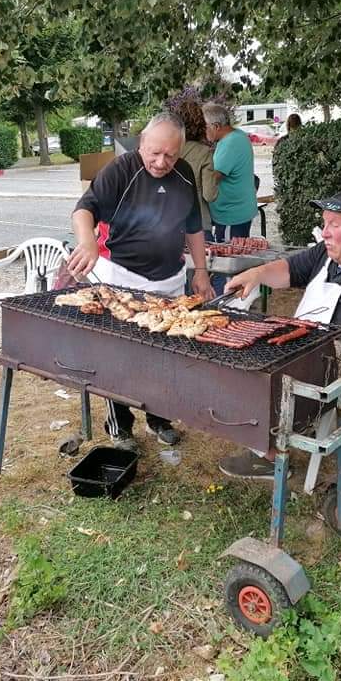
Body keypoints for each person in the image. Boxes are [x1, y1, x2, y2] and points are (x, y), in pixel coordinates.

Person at [215, 183, 341, 479]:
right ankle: (270, 441)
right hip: (315, 350)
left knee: (261, 377)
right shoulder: (329, 253)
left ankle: (270, 458)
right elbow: (289, 270)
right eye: (325, 224)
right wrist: (256, 273)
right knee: (250, 362)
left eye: (334, 225)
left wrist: (323, 352)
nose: (324, 233)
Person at [68, 112, 212, 450]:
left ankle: (159, 418)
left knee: (164, 355)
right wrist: (88, 241)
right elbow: (83, 209)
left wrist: (202, 271)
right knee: (118, 354)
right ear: (142, 143)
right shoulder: (119, 170)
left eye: (170, 155)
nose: (162, 162)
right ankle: (120, 426)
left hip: (169, 280)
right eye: (154, 152)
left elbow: (193, 227)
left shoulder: (185, 174)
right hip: (122, 277)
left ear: (180, 151)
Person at [202, 103, 258, 242]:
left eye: (204, 127)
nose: (203, 132)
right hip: (239, 211)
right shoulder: (236, 135)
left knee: (229, 259)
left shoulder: (230, 143)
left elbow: (212, 178)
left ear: (215, 126)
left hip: (231, 216)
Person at [176, 100, 218, 234]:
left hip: (171, 223)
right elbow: (209, 195)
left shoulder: (167, 149)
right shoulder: (204, 152)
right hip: (198, 222)